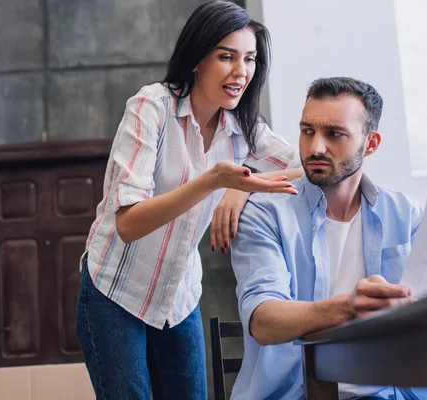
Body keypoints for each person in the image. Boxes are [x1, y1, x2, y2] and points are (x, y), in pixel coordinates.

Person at [75, 1, 304, 399]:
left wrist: (238, 189)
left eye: (249, 59)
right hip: (115, 290)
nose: (241, 72)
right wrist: (213, 181)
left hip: (177, 297)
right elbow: (127, 223)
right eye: (226, 57)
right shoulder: (152, 107)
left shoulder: (244, 128)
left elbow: (308, 166)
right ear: (197, 57)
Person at [230, 77, 427, 400]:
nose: (315, 148)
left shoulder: (407, 215)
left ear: (371, 143)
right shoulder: (266, 214)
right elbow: (263, 320)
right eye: (307, 131)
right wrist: (347, 309)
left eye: (334, 134)